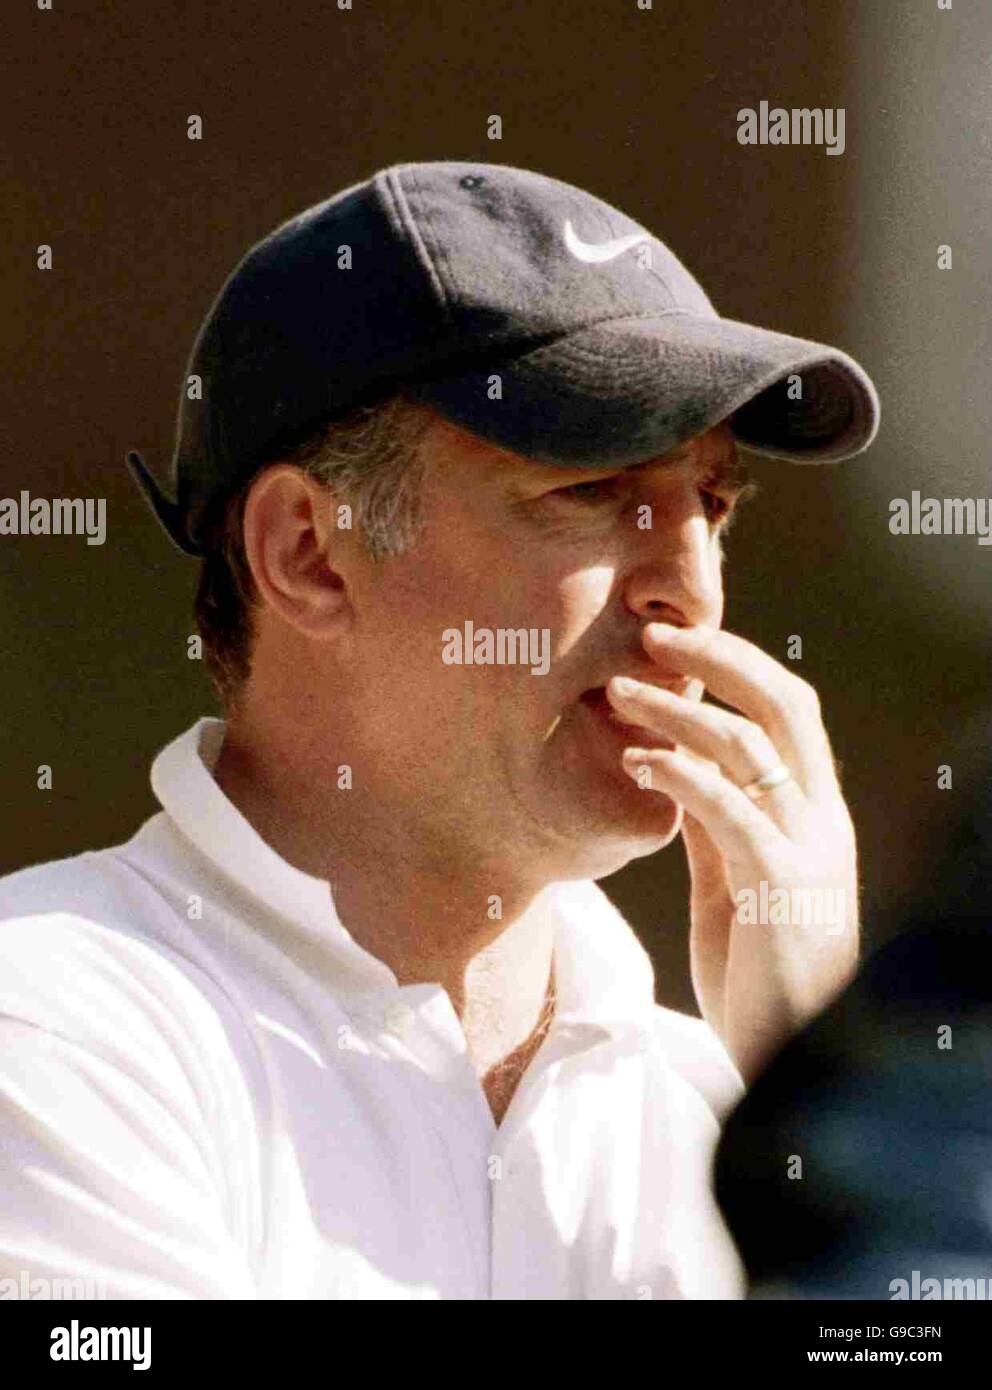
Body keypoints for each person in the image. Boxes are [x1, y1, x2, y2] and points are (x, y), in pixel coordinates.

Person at [0, 160, 879, 1299]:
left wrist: (834, 1128)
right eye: (594, 487)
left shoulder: (725, 1106)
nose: (686, 586)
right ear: (309, 555)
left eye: (708, 503)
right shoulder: (54, 1025)